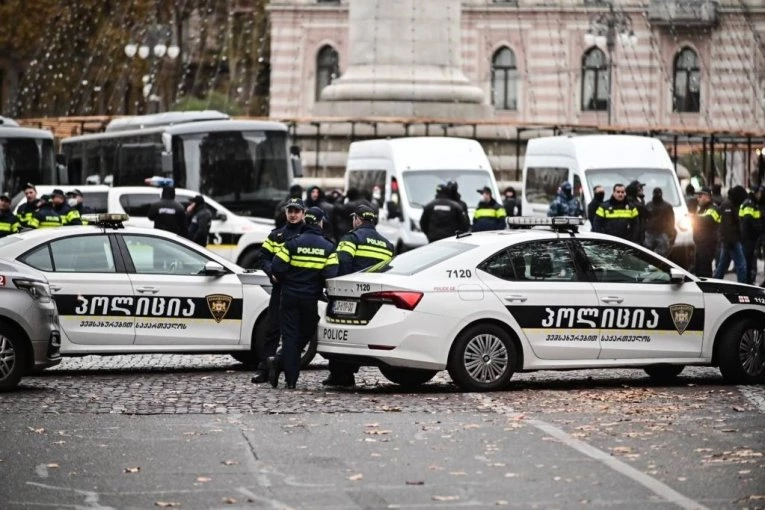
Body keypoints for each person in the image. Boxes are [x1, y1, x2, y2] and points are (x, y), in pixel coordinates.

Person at [323, 204, 394, 387]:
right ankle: (345, 374)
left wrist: (338, 288)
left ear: (358, 219)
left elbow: (343, 263)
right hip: (374, 296)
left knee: (341, 332)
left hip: (350, 293)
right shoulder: (387, 245)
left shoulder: (351, 238)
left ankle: (341, 375)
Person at [268, 207, 338, 389]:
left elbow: (277, 266)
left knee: (290, 337)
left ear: (306, 221)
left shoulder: (292, 243)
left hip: (289, 296)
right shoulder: (328, 246)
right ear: (321, 222)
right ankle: (286, 372)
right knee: (305, 333)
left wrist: (288, 278)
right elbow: (331, 274)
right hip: (310, 299)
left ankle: (285, 372)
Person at [251, 197, 306, 384]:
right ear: (285, 213)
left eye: (296, 211)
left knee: (297, 332)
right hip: (279, 288)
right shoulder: (276, 236)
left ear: (303, 213)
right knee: (272, 329)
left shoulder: (308, 234)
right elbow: (263, 257)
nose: (292, 215)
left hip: (299, 288)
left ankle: (287, 366)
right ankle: (265, 369)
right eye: (290, 211)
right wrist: (271, 272)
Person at [713, 185, 748, 283]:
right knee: (741, 264)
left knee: (723, 264)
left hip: (730, 240)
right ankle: (743, 286)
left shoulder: (731, 204)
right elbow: (727, 226)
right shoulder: (727, 205)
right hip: (732, 240)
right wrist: (731, 241)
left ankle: (715, 282)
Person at [693, 187, 721, 277]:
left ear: (707, 196)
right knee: (698, 269)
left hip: (708, 244)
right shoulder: (701, 209)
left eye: (700, 196)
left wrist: (693, 217)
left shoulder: (713, 208)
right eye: (697, 196)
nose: (698, 198)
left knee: (705, 270)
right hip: (699, 243)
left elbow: (708, 220)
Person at [644, 187, 676, 258]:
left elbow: (671, 221)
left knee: (661, 256)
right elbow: (644, 219)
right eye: (656, 193)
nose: (657, 195)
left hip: (662, 233)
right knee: (647, 254)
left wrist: (669, 233)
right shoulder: (648, 205)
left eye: (658, 193)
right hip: (650, 233)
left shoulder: (667, 206)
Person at [739, 188, 762, 285]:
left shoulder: (751, 202)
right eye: (760, 193)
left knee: (748, 260)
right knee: (748, 261)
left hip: (748, 237)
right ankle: (747, 282)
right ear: (755, 193)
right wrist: (757, 228)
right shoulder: (749, 203)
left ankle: (747, 281)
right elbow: (748, 219)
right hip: (749, 237)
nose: (760, 195)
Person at [625, 180, 649, 245]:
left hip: (641, 236)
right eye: (639, 188)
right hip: (634, 238)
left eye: (642, 188)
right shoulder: (630, 202)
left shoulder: (639, 200)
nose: (642, 189)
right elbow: (646, 213)